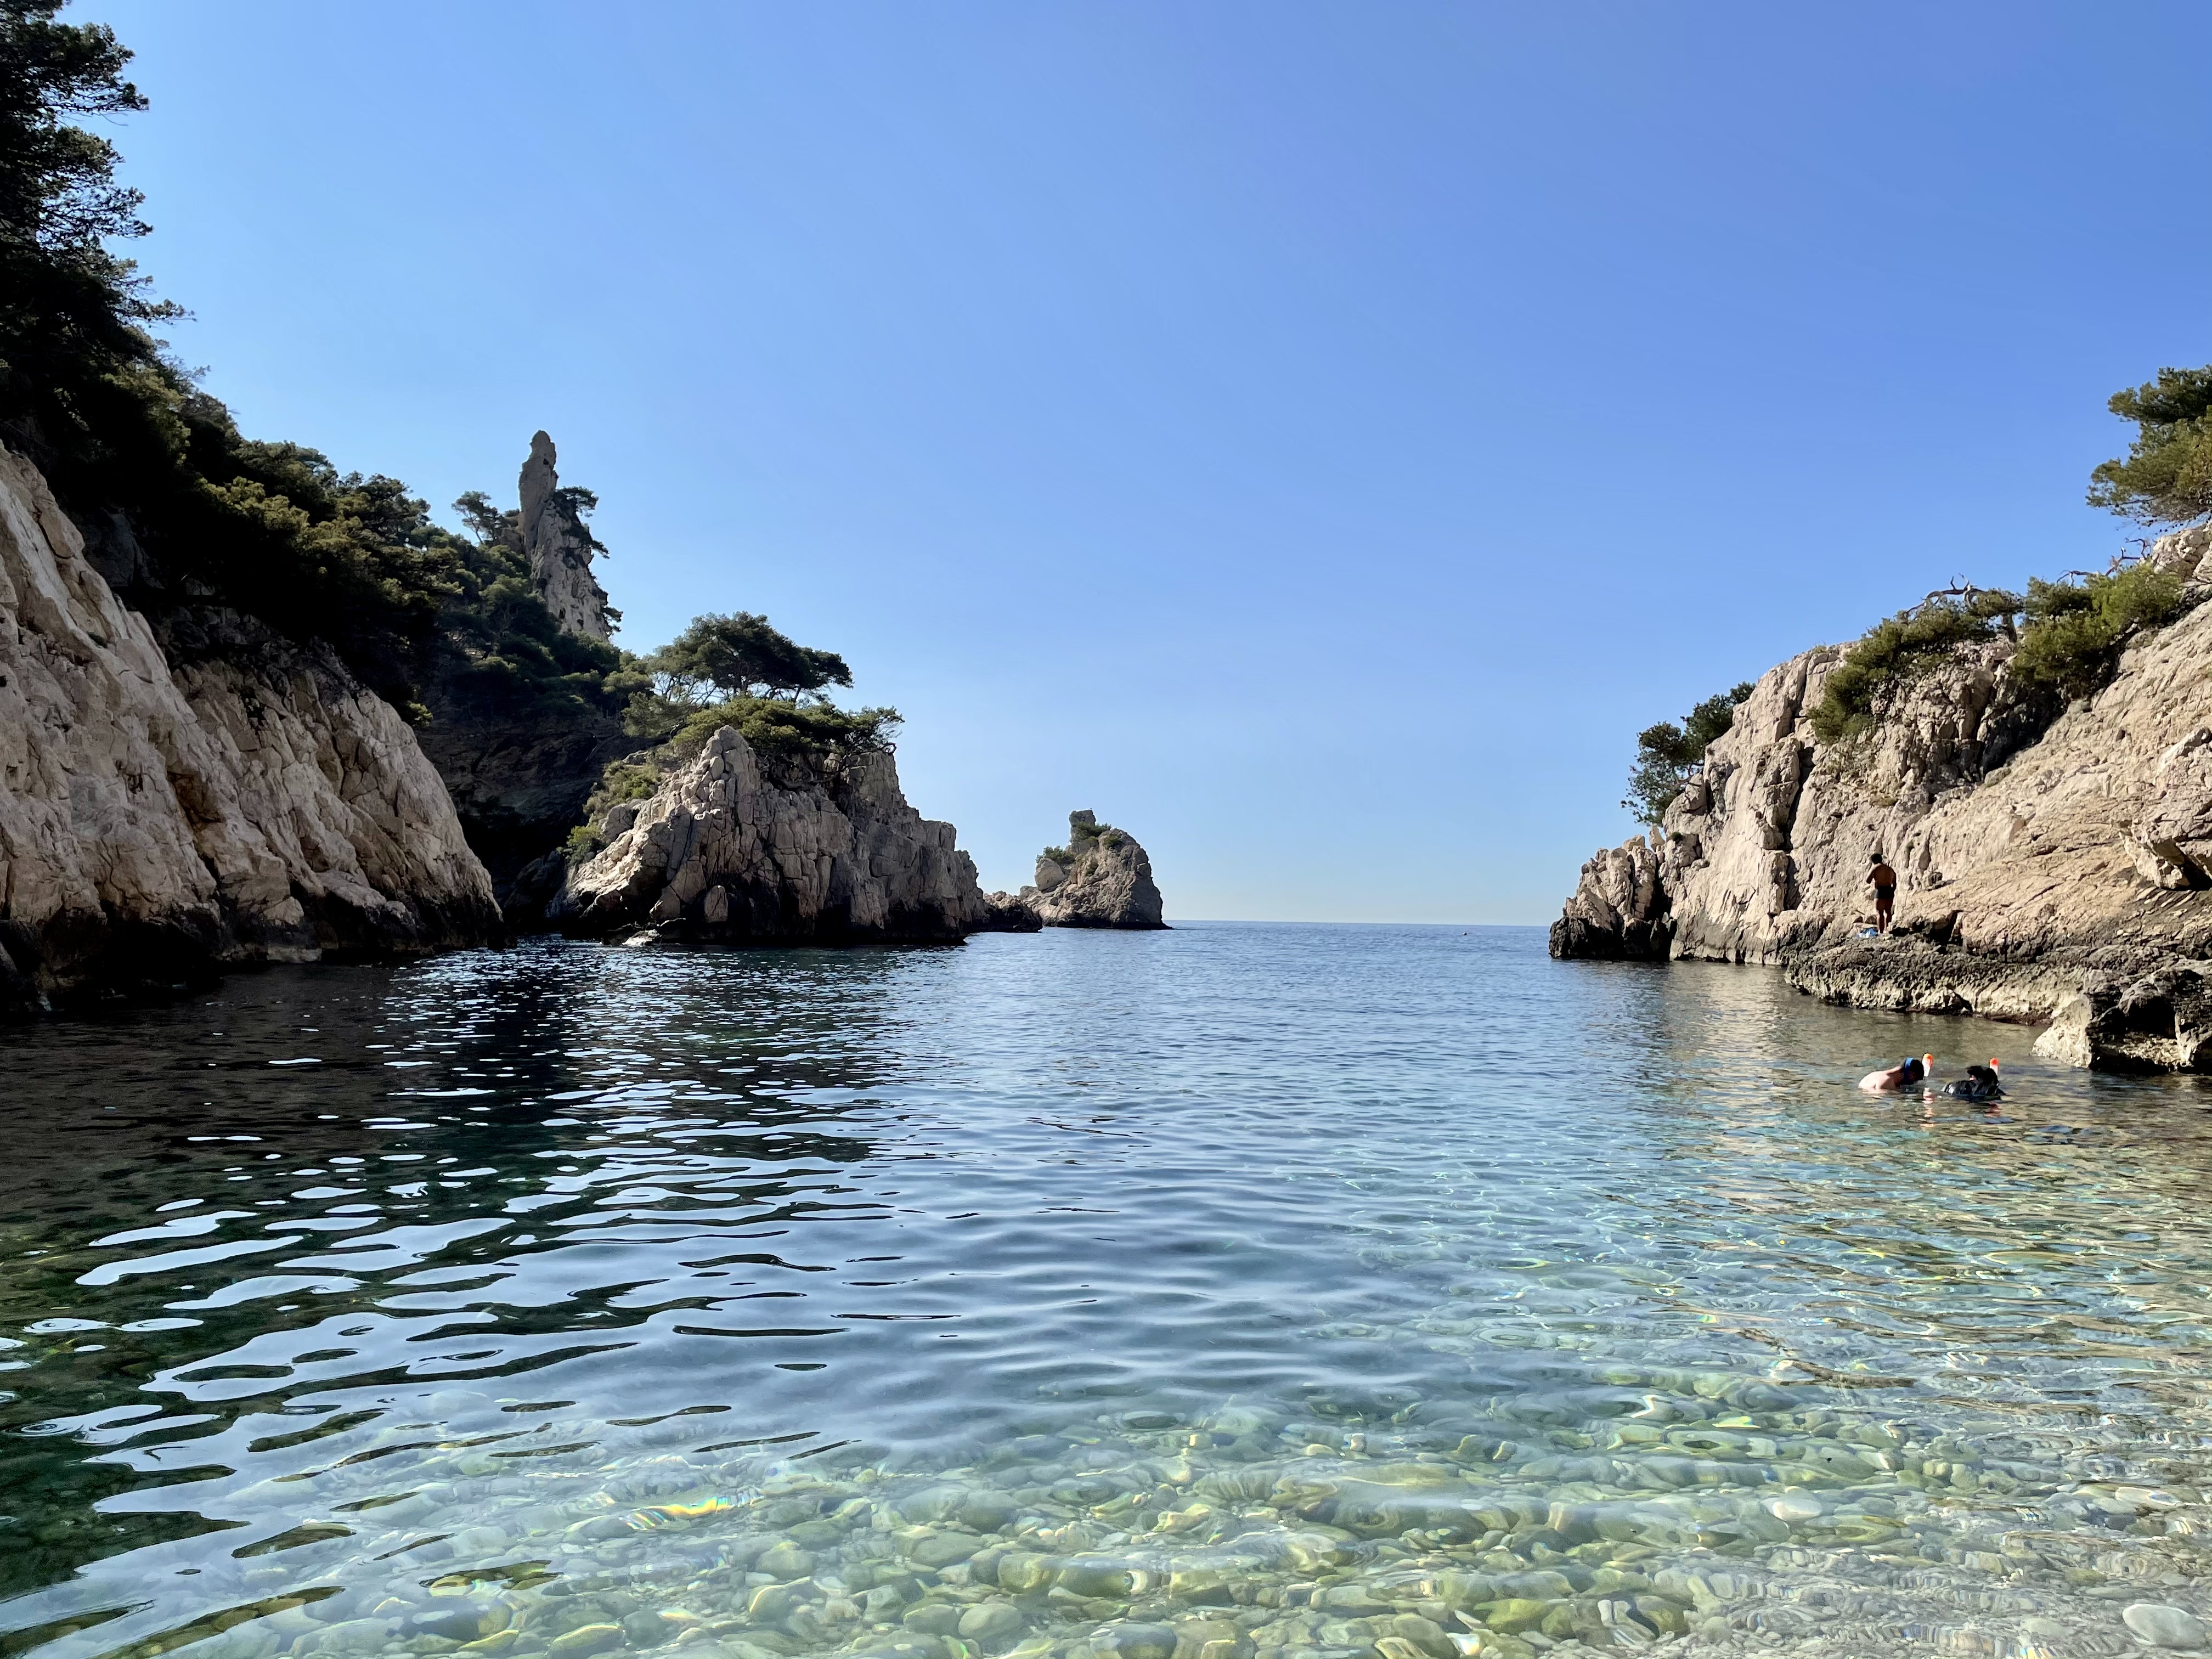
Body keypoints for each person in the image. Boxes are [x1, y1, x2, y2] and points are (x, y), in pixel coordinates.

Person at [1859, 1053, 1932, 1092]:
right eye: (1914, 1080)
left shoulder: (1874, 1074)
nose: (1913, 1083)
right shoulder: (1887, 1081)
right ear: (1912, 1075)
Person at [1942, 1060, 2006, 1101]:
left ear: (1972, 1077)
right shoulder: (1993, 1090)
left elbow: (1940, 1095)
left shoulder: (1952, 1085)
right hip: (1983, 1103)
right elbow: (2009, 1099)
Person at [1868, 853, 1897, 934]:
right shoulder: (1890, 869)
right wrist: (1892, 891)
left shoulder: (1876, 868)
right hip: (1889, 891)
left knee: (1880, 913)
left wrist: (1876, 880)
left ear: (1873, 861)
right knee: (1888, 912)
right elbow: (1894, 883)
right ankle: (1888, 930)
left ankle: (1880, 932)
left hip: (1880, 891)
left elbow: (1868, 880)